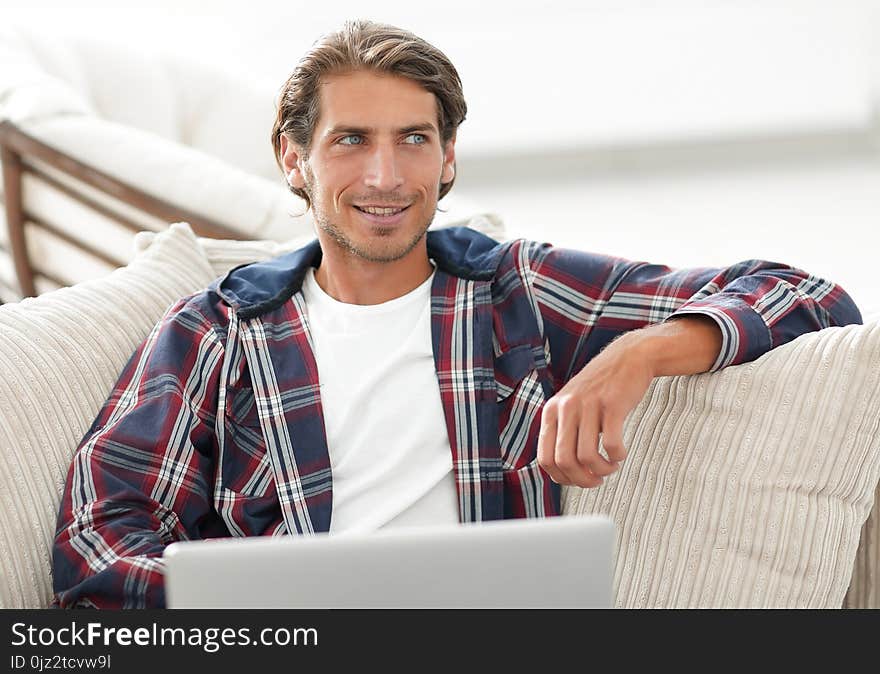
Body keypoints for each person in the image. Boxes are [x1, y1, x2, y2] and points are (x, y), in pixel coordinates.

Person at [51, 20, 861, 609]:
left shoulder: (516, 292)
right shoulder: (215, 332)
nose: (384, 175)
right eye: (351, 140)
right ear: (293, 159)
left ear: (448, 161)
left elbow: (806, 296)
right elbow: (99, 540)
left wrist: (639, 353)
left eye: (412, 139)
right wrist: (267, 617)